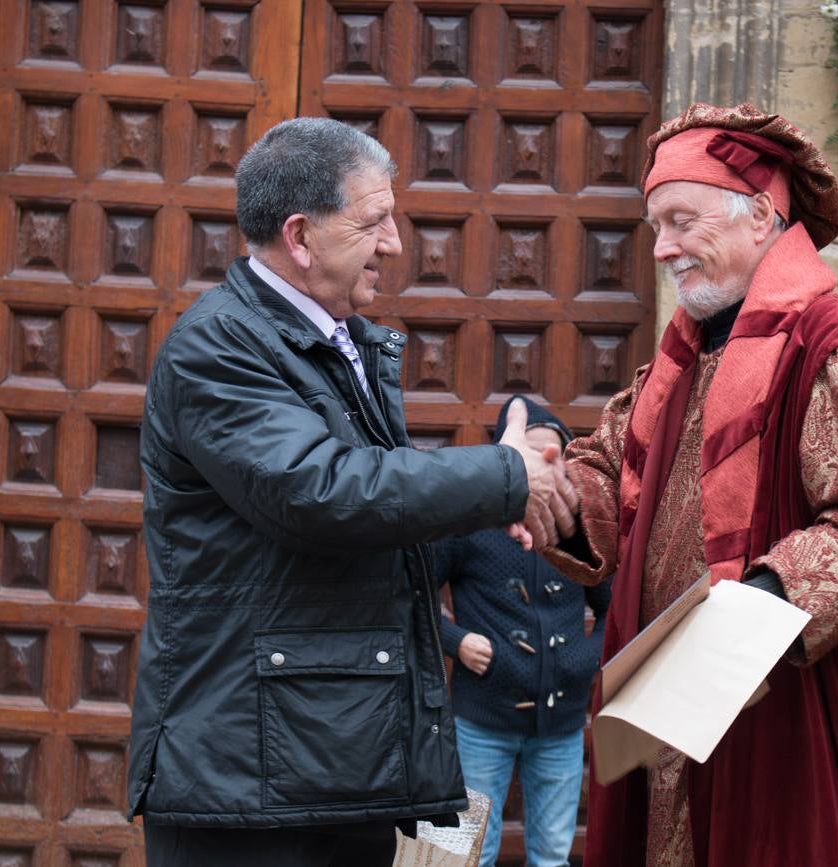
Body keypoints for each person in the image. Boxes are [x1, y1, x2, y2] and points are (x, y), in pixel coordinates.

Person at [513, 103, 838, 866]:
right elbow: (610, 479)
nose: (661, 249)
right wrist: (540, 485)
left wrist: (755, 602)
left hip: (792, 726)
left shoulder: (835, 350)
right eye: (655, 225)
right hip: (682, 725)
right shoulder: (678, 365)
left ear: (760, 214)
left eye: (680, 221)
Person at [126, 118, 576, 867]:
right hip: (254, 784)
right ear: (300, 237)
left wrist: (509, 501)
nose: (396, 244)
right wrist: (504, 476)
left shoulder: (333, 338)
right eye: (374, 221)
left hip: (323, 761)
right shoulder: (218, 346)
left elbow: (372, 528)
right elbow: (320, 492)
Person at [436, 396, 611, 867]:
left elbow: (614, 609)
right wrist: (458, 642)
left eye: (552, 457)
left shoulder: (579, 531)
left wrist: (586, 657)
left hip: (562, 725)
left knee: (553, 854)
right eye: (528, 454)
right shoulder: (467, 525)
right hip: (479, 723)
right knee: (467, 854)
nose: (541, 469)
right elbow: (410, 601)